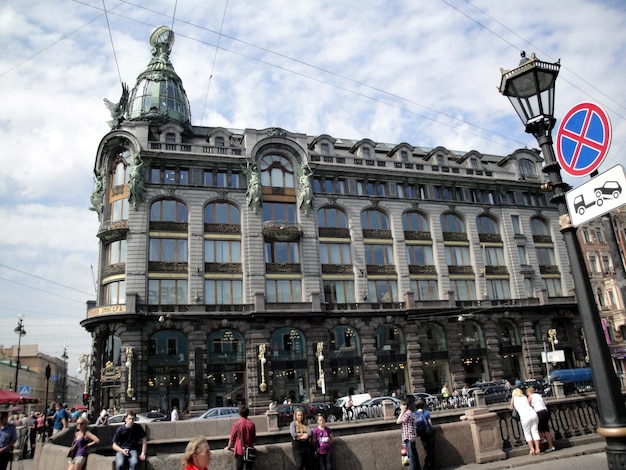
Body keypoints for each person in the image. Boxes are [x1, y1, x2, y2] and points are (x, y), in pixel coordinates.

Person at [509, 388, 540, 455]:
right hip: (533, 413)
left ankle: (532, 449)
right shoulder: (524, 397)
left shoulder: (514, 398)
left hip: (525, 416)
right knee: (535, 431)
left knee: (527, 433)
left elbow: (511, 407)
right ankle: (538, 448)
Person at [225, 405, 256, 470]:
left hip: (240, 450)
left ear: (239, 413)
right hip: (249, 451)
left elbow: (232, 438)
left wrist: (228, 447)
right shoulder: (252, 424)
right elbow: (253, 440)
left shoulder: (236, 424)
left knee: (239, 468)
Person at [527, 386, 555, 452]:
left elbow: (527, 405)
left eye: (527, 392)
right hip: (545, 411)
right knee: (546, 430)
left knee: (535, 427)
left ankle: (542, 438)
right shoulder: (538, 395)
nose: (527, 394)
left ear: (530, 392)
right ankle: (551, 446)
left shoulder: (531, 396)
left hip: (539, 412)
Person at [396, 399, 419, 470]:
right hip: (407, 436)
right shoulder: (408, 413)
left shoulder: (408, 413)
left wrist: (402, 412)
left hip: (409, 436)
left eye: (401, 405)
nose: (400, 407)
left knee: (411, 455)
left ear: (405, 406)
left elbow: (398, 421)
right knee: (413, 453)